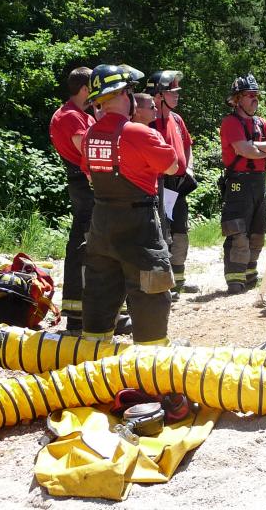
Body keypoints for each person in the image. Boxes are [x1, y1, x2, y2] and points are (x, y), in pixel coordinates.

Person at [80, 64, 179, 345]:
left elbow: (89, 173)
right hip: (139, 225)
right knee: (150, 289)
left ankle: (93, 354)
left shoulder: (90, 135)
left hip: (101, 223)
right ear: (125, 94)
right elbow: (172, 167)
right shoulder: (139, 132)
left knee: (100, 289)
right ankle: (151, 360)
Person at [219, 74, 266, 294]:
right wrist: (261, 150)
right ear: (237, 99)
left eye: (256, 95)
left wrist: (255, 146)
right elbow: (244, 151)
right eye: (250, 95)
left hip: (258, 182)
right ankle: (235, 279)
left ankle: (250, 273)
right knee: (238, 231)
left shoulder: (261, 123)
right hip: (238, 182)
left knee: (257, 232)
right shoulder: (230, 122)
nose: (255, 99)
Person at [49, 67, 94, 333]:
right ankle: (80, 315)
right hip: (84, 183)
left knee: (84, 243)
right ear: (86, 89)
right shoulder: (70, 116)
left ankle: (81, 314)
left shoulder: (79, 114)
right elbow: (87, 150)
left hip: (84, 182)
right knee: (87, 245)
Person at [146, 70, 199, 297]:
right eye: (172, 91)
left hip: (178, 185)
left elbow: (187, 146)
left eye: (178, 91)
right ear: (158, 95)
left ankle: (178, 279)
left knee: (180, 232)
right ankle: (163, 284)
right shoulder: (147, 120)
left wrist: (189, 168)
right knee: (161, 233)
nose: (177, 95)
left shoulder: (177, 119)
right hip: (158, 184)